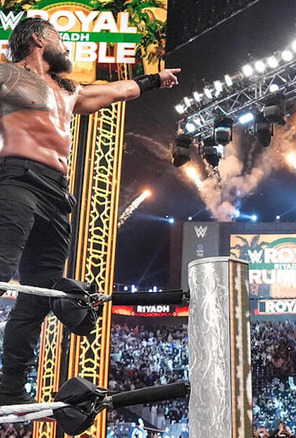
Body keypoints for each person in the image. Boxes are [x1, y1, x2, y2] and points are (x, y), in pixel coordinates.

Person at [0, 17, 179, 404]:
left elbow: (115, 91)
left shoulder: (67, 90)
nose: (65, 47)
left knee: (40, 294)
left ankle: (10, 390)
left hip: (55, 193)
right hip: (16, 178)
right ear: (37, 39)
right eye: (60, 38)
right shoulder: (7, 76)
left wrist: (153, 80)